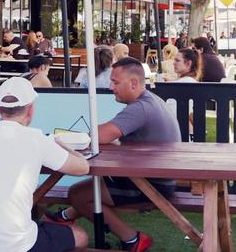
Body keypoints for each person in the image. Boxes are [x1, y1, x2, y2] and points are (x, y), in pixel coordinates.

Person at [46, 58, 180, 251]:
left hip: (152, 185)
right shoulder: (150, 101)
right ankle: (65, 217)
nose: (110, 87)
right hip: (158, 178)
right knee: (89, 189)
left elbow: (100, 135)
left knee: (77, 194)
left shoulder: (140, 108)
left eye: (115, 82)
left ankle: (133, 239)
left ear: (133, 83)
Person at [0, 77, 90, 252]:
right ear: (30, 110)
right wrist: (62, 144)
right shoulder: (36, 138)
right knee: (81, 236)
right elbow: (83, 167)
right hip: (16, 244)